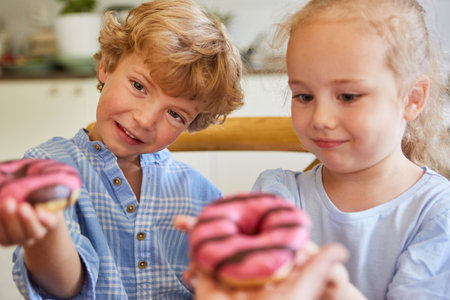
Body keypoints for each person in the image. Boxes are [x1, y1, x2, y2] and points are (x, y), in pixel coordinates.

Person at [0, 0, 243, 299]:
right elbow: (64, 288)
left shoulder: (204, 197)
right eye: (139, 86)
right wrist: (43, 228)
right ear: (106, 65)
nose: (144, 119)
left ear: (193, 123)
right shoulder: (46, 169)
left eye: (175, 114)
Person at [251, 0, 450, 299]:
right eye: (304, 96)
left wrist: (336, 290)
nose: (321, 119)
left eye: (347, 96)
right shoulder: (278, 195)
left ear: (412, 98)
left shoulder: (437, 213)